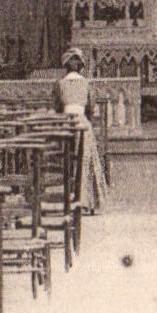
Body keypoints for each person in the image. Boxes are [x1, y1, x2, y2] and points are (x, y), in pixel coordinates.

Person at [53, 49, 108, 214]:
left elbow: (57, 107)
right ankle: (86, 200)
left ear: (66, 67)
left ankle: (66, 197)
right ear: (80, 66)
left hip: (65, 125)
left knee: (66, 158)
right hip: (81, 124)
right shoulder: (85, 83)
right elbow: (90, 108)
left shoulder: (60, 84)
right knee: (86, 158)